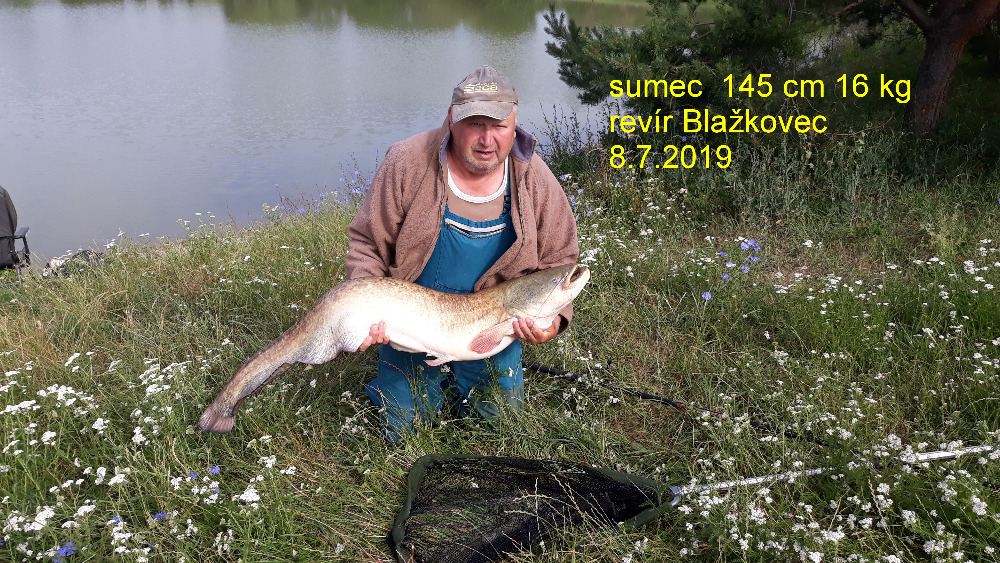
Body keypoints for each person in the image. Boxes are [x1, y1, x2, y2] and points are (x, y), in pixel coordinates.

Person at [345, 65, 579, 441]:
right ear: (452, 119)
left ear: (515, 124)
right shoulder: (406, 162)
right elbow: (368, 243)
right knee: (401, 431)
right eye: (475, 124)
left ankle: (466, 381)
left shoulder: (534, 177)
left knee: (498, 427)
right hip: (414, 322)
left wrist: (553, 323)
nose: (487, 139)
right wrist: (368, 306)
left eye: (498, 125)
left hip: (494, 326)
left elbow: (560, 260)